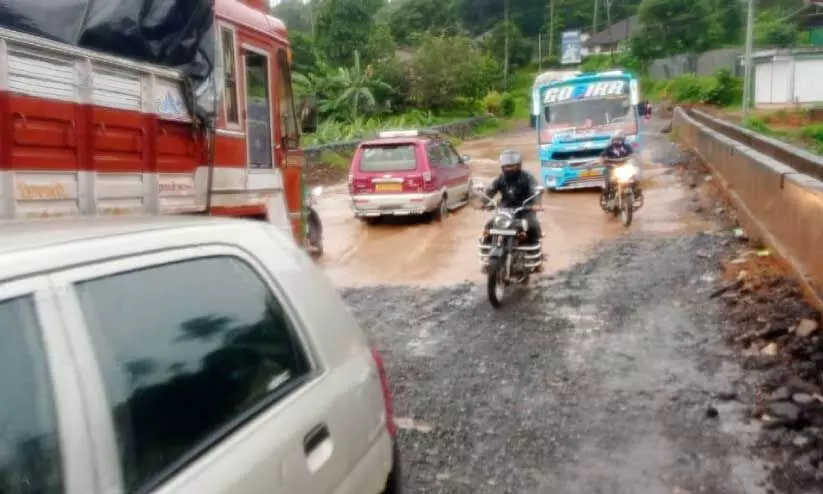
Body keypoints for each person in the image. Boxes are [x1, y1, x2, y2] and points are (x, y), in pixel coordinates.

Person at [482, 149, 542, 245]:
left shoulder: (527, 177)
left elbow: (535, 190)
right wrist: (482, 201)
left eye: (511, 166)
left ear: (518, 165)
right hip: (504, 210)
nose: (509, 169)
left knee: (533, 225)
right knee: (490, 224)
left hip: (524, 209)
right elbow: (490, 191)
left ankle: (535, 248)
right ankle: (486, 246)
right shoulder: (500, 179)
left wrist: (536, 204)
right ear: (502, 167)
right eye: (506, 166)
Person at [600, 130, 634, 201]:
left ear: (622, 140)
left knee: (635, 178)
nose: (617, 141)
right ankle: (607, 197)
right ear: (612, 140)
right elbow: (603, 157)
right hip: (612, 168)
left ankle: (636, 194)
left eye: (619, 139)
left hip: (625, 168)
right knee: (608, 182)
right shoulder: (608, 148)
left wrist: (633, 160)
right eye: (615, 139)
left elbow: (633, 155)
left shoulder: (627, 147)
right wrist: (604, 161)